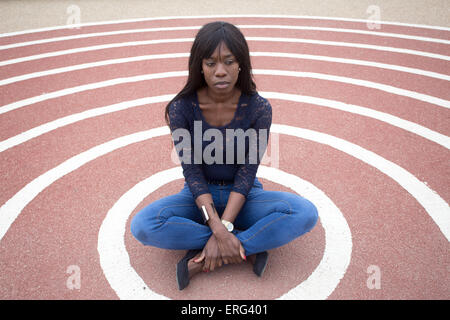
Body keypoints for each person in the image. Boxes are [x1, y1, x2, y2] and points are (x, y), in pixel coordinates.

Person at [130, 21, 318, 290]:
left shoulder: (258, 108)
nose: (220, 71)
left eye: (229, 62)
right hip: (198, 195)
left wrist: (225, 224)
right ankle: (246, 247)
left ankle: (216, 249)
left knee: (304, 212)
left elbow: (246, 172)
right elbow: (192, 173)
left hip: (244, 194)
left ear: (241, 64)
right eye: (210, 63)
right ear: (200, 67)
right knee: (144, 226)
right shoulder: (181, 109)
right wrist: (218, 230)